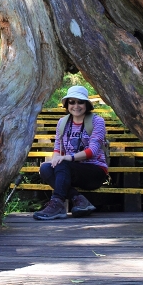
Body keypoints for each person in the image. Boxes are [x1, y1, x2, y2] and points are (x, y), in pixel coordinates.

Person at [33, 85, 108, 220]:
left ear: (86, 104)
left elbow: (92, 151)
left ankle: (57, 202)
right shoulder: (62, 122)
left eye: (80, 102)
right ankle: (78, 198)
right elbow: (57, 149)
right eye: (72, 102)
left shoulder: (97, 121)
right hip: (70, 169)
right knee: (45, 168)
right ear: (67, 104)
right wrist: (55, 160)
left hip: (95, 171)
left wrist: (68, 158)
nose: (76, 105)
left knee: (63, 162)